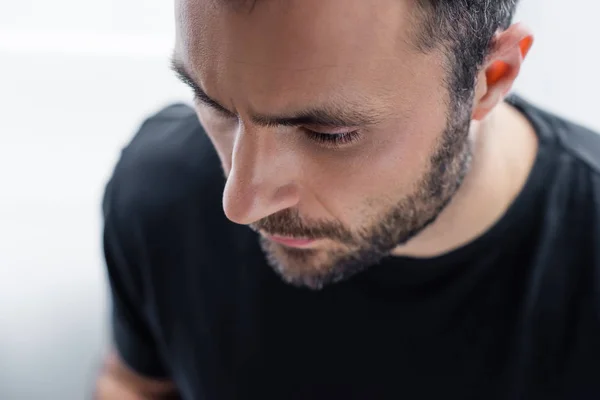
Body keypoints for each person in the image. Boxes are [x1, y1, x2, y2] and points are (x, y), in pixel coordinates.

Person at [95, 0, 600, 398]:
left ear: (489, 79)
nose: (242, 204)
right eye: (213, 104)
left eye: (328, 132)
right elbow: (135, 384)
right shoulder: (159, 193)